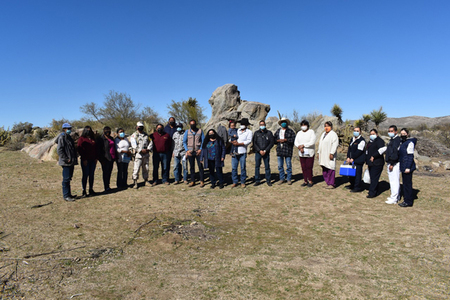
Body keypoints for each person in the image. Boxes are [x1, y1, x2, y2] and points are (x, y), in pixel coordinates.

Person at [57, 123, 78, 201]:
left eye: (70, 128)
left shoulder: (68, 137)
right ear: (64, 129)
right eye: (67, 128)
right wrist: (66, 159)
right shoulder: (62, 137)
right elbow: (59, 150)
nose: (69, 130)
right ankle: (66, 195)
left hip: (71, 161)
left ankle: (69, 194)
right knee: (66, 179)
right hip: (66, 162)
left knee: (69, 178)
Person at [231, 118, 253, 188]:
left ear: (246, 125)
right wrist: (232, 142)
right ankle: (235, 181)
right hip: (235, 151)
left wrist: (239, 144)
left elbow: (248, 141)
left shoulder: (249, 132)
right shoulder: (236, 130)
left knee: (243, 167)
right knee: (234, 168)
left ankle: (243, 182)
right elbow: (230, 138)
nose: (242, 125)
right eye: (241, 124)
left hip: (242, 152)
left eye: (243, 124)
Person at [294, 120, 317, 187]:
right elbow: (296, 141)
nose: (303, 126)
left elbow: (312, 142)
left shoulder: (311, 132)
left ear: (307, 126)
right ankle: (305, 180)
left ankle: (310, 180)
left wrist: (304, 145)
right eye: (302, 125)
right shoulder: (299, 133)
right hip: (301, 153)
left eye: (305, 125)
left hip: (309, 153)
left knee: (309, 167)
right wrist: (299, 146)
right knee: (303, 167)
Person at [398, 128, 417, 207]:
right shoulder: (403, 142)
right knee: (405, 183)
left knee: (407, 184)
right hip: (403, 165)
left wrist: (408, 167)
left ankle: (408, 201)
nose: (403, 135)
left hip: (407, 166)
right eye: (401, 133)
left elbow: (410, 156)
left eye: (404, 133)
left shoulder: (410, 143)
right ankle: (406, 199)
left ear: (408, 134)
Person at [183, 119, 205, 187]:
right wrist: (187, 150)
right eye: (191, 124)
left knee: (200, 166)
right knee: (191, 167)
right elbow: (184, 142)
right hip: (190, 152)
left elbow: (203, 141)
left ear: (196, 124)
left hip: (198, 152)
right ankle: (193, 181)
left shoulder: (200, 131)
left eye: (194, 124)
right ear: (189, 124)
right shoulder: (187, 132)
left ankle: (202, 181)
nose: (192, 125)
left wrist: (201, 149)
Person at [130, 122, 152, 189]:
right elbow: (134, 145)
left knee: (146, 168)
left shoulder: (146, 135)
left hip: (146, 155)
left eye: (142, 126)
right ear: (136, 127)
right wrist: (140, 150)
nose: (140, 128)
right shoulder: (134, 135)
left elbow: (151, 142)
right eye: (139, 126)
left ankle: (146, 180)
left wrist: (148, 149)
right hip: (138, 155)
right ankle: (135, 182)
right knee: (136, 169)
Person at [365, 128, 386, 198]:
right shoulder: (370, 141)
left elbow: (382, 150)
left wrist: (374, 156)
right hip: (371, 163)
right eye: (370, 134)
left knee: (374, 178)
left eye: (373, 134)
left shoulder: (380, 141)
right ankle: (374, 190)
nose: (371, 135)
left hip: (377, 163)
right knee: (372, 177)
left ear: (376, 134)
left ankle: (372, 193)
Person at [252, 120, 274, 186]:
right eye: (261, 125)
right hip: (258, 152)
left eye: (263, 124)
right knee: (257, 166)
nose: (262, 126)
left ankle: (268, 180)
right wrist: (259, 150)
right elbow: (254, 143)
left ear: (265, 125)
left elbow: (271, 143)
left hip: (266, 152)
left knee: (267, 167)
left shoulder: (269, 133)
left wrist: (265, 150)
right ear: (259, 125)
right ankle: (257, 180)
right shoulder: (256, 133)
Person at [274, 118, 295, 185]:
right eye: (282, 122)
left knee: (288, 166)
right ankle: (282, 178)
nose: (283, 123)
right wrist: (278, 141)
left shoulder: (290, 131)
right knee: (280, 166)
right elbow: (274, 139)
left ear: (287, 123)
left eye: (284, 122)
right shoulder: (278, 131)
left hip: (287, 150)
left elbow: (293, 140)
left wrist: (286, 140)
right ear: (280, 124)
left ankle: (289, 179)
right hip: (280, 150)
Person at [77, 126, 97, 197]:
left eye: (90, 130)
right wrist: (84, 159)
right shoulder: (81, 139)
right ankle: (84, 190)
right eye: (87, 130)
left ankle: (91, 189)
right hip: (85, 160)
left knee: (91, 175)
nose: (89, 131)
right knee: (85, 175)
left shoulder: (93, 139)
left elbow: (95, 149)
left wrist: (96, 158)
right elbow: (80, 149)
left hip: (93, 159)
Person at [317, 121, 339, 189]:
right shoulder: (323, 134)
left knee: (330, 168)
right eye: (325, 126)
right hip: (323, 154)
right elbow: (320, 144)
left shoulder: (333, 134)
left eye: (328, 126)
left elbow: (335, 145)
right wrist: (318, 152)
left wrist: (332, 153)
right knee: (324, 168)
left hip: (329, 154)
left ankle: (331, 183)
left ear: (331, 127)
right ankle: (327, 182)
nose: (326, 128)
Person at [345, 126, 366, 193]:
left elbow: (359, 151)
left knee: (357, 174)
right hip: (351, 159)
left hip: (358, 160)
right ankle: (352, 185)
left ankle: (357, 187)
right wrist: (348, 157)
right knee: (351, 174)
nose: (356, 132)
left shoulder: (362, 140)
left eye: (357, 131)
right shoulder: (352, 139)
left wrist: (353, 158)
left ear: (360, 132)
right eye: (355, 130)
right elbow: (349, 149)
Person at [385, 125, 402, 204]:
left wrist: (392, 163)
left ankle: (394, 198)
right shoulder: (392, 140)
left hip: (394, 163)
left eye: (392, 131)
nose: (390, 132)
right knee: (392, 180)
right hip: (391, 162)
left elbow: (395, 153)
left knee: (394, 180)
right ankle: (396, 196)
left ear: (396, 132)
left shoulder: (397, 140)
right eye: (389, 131)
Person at [97, 126, 116, 193]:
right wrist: (101, 160)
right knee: (105, 173)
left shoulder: (111, 138)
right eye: (106, 130)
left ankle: (108, 185)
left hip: (112, 158)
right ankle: (106, 187)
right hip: (105, 158)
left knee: (109, 172)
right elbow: (99, 150)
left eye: (109, 130)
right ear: (103, 131)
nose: (108, 132)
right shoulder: (101, 139)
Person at [164, 117, 177, 181]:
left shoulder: (177, 128)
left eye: (173, 120)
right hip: (168, 148)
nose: (172, 121)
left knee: (177, 163)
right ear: (168, 121)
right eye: (170, 120)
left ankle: (178, 176)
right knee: (167, 163)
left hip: (176, 147)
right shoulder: (165, 128)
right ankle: (166, 178)